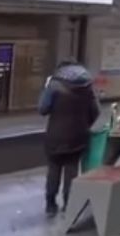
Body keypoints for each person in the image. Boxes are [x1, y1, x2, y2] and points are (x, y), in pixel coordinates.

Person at [38, 60, 100, 216]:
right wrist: (85, 124)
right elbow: (96, 112)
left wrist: (46, 88)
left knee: (53, 170)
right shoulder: (87, 86)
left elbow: (42, 109)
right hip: (78, 136)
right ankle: (68, 205)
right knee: (72, 171)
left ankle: (50, 205)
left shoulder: (53, 85)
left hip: (55, 136)